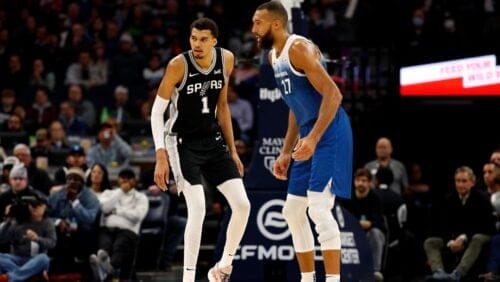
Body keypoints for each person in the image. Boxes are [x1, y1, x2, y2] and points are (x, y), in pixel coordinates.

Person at [252, 2, 353, 282]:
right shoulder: (274, 57)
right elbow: (296, 107)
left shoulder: (298, 48)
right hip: (309, 131)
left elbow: (333, 95)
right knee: (292, 210)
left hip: (330, 130)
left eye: (257, 23)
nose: (253, 30)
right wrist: (286, 151)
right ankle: (307, 279)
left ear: (275, 24)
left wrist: (313, 138)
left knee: (319, 208)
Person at [150, 17, 251, 282]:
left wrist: (232, 149)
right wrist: (160, 155)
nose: (197, 43)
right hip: (181, 142)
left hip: (212, 139)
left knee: (242, 205)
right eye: (194, 38)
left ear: (214, 42)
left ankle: (223, 268)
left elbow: (223, 106)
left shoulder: (226, 59)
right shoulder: (178, 65)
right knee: (198, 208)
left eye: (203, 39)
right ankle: (189, 278)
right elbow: (156, 112)